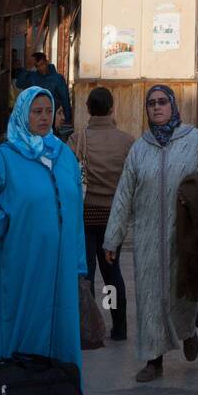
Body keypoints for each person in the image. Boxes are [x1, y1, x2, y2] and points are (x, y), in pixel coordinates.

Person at [103, 86, 198, 383]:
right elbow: (124, 195)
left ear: (173, 105)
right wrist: (112, 238)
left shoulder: (195, 140)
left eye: (162, 102)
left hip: (186, 235)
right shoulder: (139, 149)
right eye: (151, 103)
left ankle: (188, 331)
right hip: (147, 238)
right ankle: (154, 360)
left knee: (185, 292)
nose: (156, 108)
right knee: (150, 298)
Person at [0, 88, 86, 373]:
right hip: (23, 262)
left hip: (62, 267)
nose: (43, 118)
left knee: (61, 327)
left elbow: (75, 211)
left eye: (48, 111)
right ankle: (16, 393)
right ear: (22, 114)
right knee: (23, 323)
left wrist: (79, 263)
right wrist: (0, 222)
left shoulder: (63, 154)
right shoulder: (5, 157)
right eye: (36, 112)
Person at [71, 85, 134, 341]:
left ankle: (90, 328)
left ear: (87, 109)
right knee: (112, 273)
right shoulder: (127, 141)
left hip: (85, 215)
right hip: (113, 217)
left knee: (87, 274)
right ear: (112, 108)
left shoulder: (77, 139)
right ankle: (118, 327)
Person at [13, 50, 72, 127]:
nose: (41, 68)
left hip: (52, 117)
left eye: (42, 64)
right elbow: (19, 84)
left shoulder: (57, 78)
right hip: (36, 117)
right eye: (37, 66)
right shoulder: (32, 77)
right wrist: (27, 68)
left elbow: (65, 100)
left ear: (46, 62)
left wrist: (67, 120)